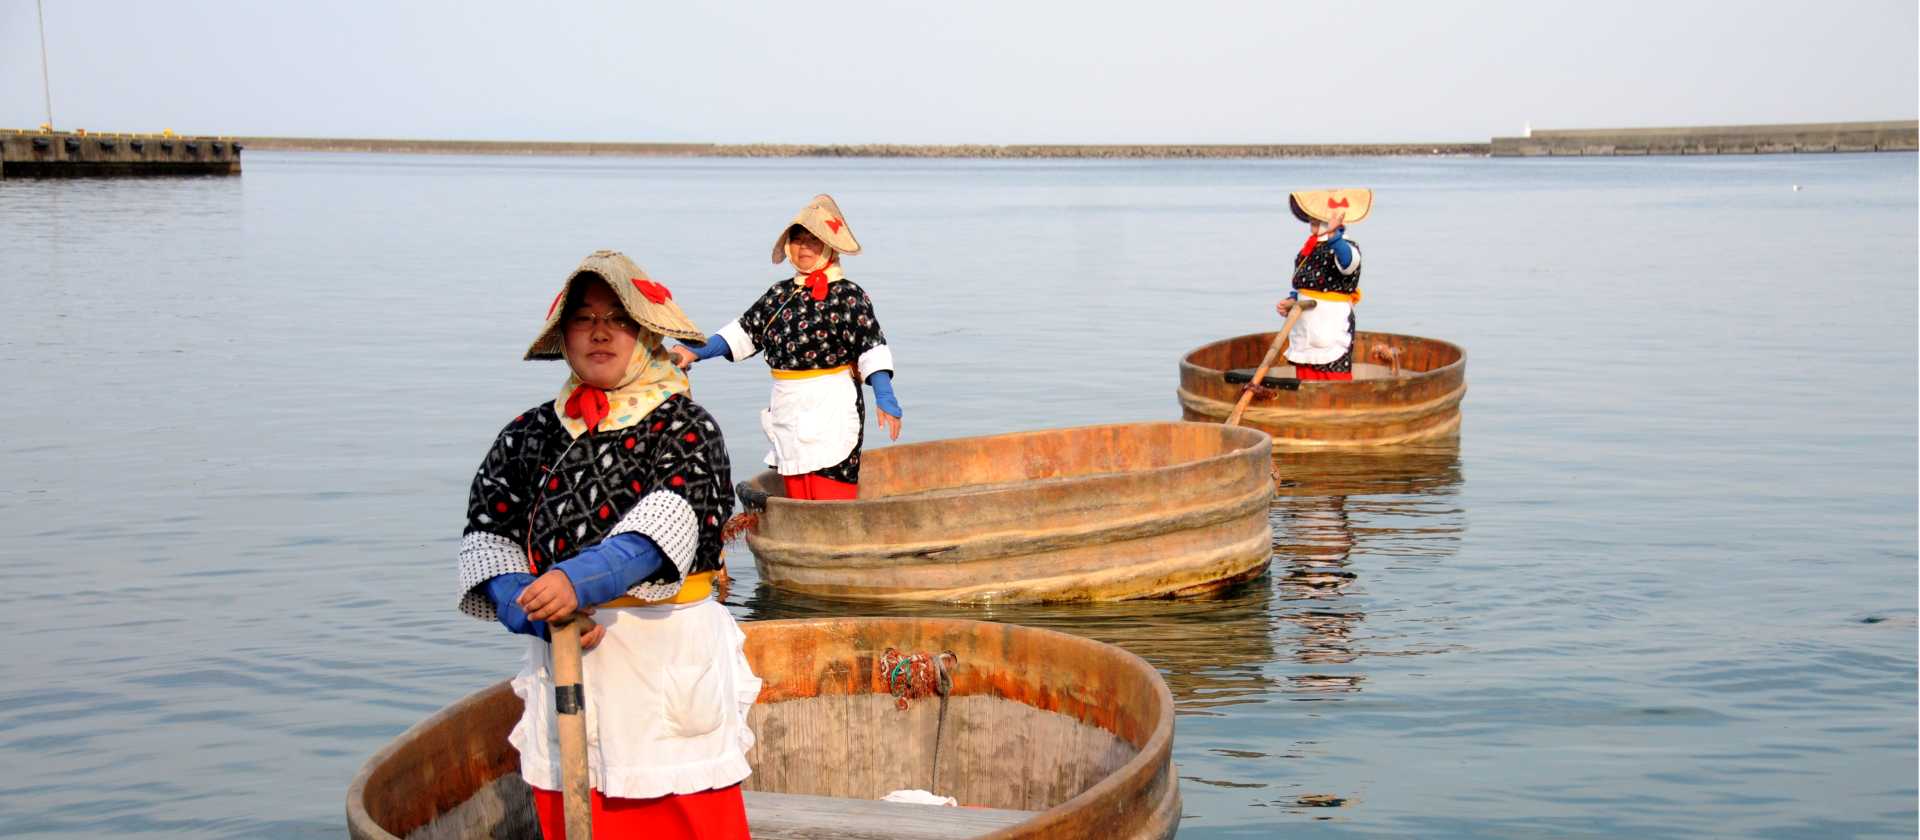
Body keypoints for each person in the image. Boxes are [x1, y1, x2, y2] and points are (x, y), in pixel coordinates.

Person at [455, 250, 760, 840]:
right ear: (563, 335)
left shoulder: (685, 424)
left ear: (644, 333)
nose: (599, 331)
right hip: (566, 655)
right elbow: (487, 535)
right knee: (574, 813)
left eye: (617, 318)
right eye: (584, 317)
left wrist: (580, 580)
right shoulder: (529, 433)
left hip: (663, 658)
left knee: (682, 816)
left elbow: (669, 521)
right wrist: (527, 604)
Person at [670, 194, 902, 501]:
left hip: (832, 403)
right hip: (788, 405)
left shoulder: (849, 295)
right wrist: (694, 351)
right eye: (798, 240)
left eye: (813, 241)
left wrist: (884, 394)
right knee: (796, 485)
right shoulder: (779, 295)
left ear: (829, 247)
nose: (804, 248)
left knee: (830, 490)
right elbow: (743, 332)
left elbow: (870, 346)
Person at [1275, 188, 1370, 381]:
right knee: (1305, 371)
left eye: (1317, 218)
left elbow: (1348, 263)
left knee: (1332, 373)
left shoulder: (1346, 246)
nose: (1312, 220)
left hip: (1330, 321)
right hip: (1305, 322)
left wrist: (1334, 234)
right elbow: (1304, 283)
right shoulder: (1310, 248)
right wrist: (1292, 300)